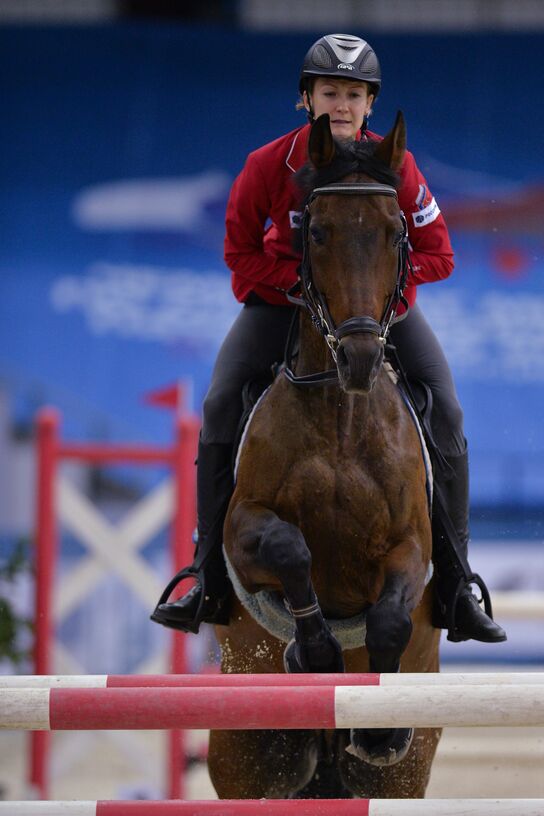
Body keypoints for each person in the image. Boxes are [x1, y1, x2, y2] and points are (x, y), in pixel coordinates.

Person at [151, 32, 505, 644]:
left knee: (445, 406)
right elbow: (238, 252)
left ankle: (454, 581)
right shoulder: (269, 165)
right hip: (281, 304)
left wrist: (373, 290)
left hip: (376, 311)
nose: (342, 104)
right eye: (330, 91)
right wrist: (309, 287)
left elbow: (439, 255)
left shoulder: (399, 165)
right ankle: (207, 572)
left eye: (354, 94)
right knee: (218, 403)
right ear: (306, 99)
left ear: (370, 106)